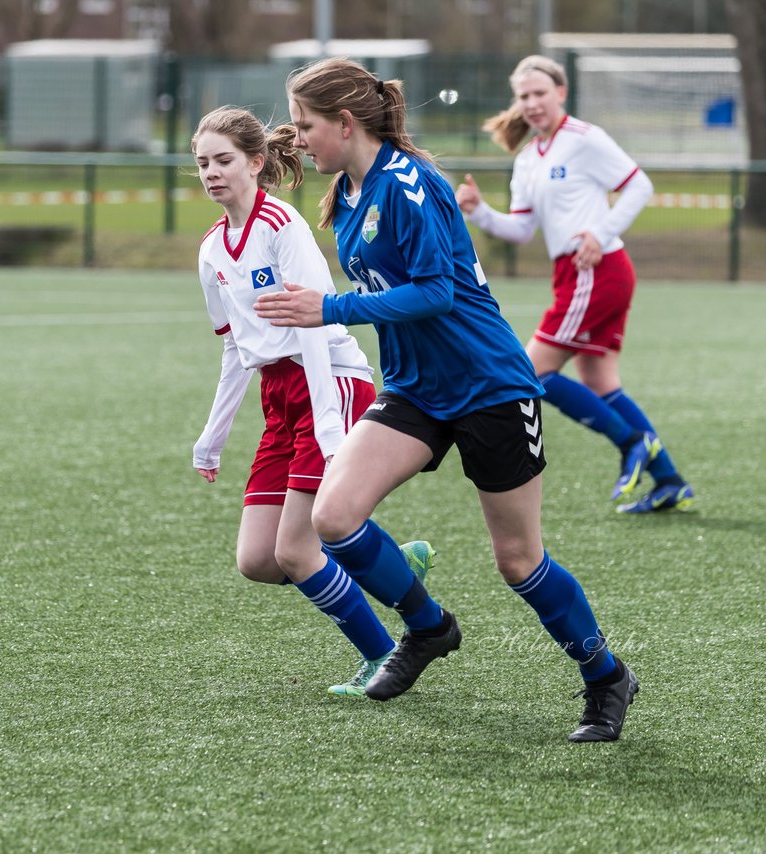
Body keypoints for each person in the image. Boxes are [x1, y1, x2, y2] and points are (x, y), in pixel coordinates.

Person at [255, 58, 638, 742]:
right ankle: (429, 628)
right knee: (336, 518)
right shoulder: (345, 192)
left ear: (346, 123)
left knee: (518, 560)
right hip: (417, 389)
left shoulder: (410, 184)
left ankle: (606, 677)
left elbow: (434, 292)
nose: (301, 136)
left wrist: (330, 307)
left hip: (489, 384)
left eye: (308, 124)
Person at [190, 106, 435, 698]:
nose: (213, 173)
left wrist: (329, 424)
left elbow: (312, 329)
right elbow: (235, 351)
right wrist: (211, 436)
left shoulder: (282, 227)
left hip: (332, 381)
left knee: (297, 551)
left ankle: (383, 656)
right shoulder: (211, 251)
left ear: (256, 163)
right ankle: (385, 562)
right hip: (279, 397)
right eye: (202, 164)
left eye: (224, 161)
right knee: (259, 560)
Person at [455, 55, 694, 514]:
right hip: (573, 277)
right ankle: (669, 481)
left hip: (598, 271)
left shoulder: (585, 139)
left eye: (540, 93)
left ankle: (632, 445)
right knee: (599, 380)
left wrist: (600, 234)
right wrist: (479, 211)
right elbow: (523, 230)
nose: (532, 103)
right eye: (524, 96)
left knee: (530, 372)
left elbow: (639, 185)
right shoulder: (527, 158)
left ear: (561, 93)